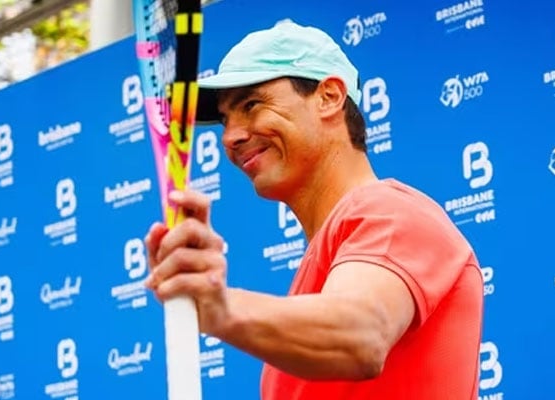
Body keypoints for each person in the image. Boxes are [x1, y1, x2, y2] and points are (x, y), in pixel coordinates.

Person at [144, 20, 484, 399]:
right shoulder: (323, 271)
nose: (230, 137)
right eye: (225, 119)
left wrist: (219, 308)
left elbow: (362, 335)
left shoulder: (389, 211)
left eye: (251, 105)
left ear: (329, 96)